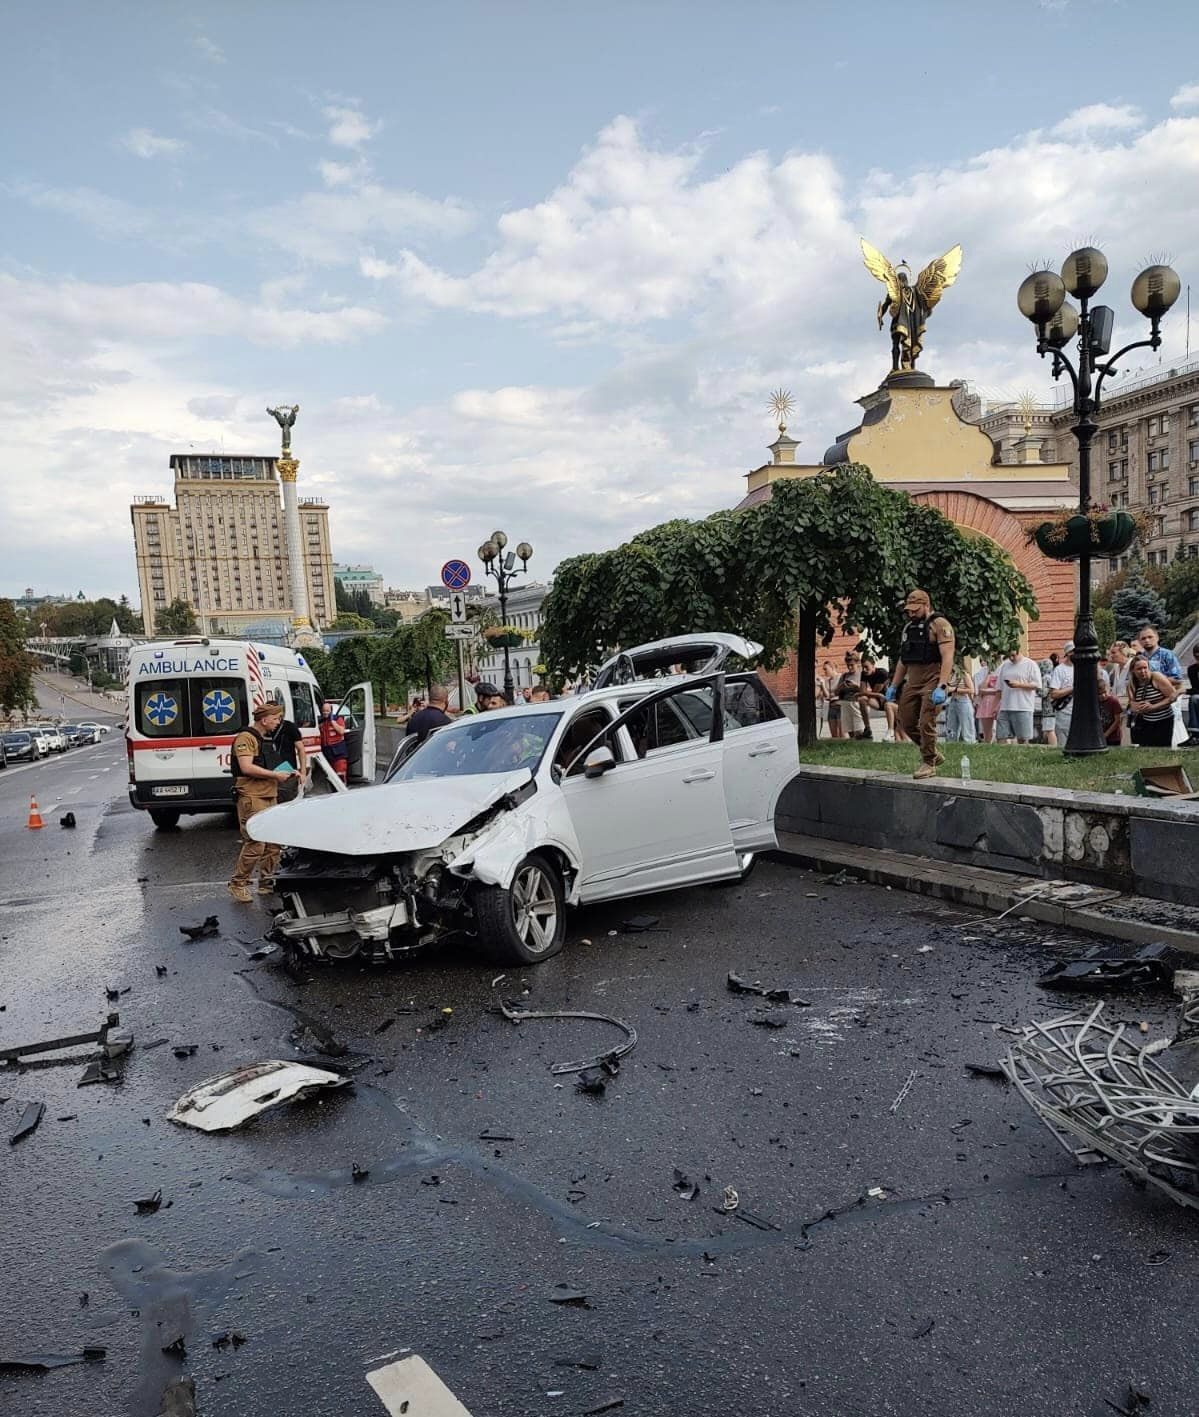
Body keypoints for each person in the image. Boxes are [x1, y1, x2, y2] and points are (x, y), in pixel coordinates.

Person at [228, 702, 295, 903]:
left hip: (268, 794)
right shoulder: (245, 738)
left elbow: (268, 763)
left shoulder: (264, 738)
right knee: (256, 843)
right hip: (252, 796)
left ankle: (266, 882)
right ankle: (238, 884)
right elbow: (247, 767)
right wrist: (275, 775)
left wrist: (290, 771)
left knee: (273, 843)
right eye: (275, 719)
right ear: (264, 720)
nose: (278, 723)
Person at [885, 589, 955, 779]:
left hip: (933, 679)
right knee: (905, 720)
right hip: (913, 680)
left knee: (926, 721)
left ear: (926, 605)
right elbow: (903, 659)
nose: (912, 613)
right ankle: (931, 752)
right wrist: (893, 686)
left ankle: (929, 763)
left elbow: (947, 656)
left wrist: (942, 686)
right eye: (909, 610)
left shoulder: (940, 625)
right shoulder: (908, 628)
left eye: (916, 609)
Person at [1127, 654, 1178, 747]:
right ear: (1133, 671)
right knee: (1146, 749)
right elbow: (1131, 704)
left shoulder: (1156, 677)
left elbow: (1172, 697)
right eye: (1139, 669)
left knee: (1162, 749)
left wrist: (1153, 707)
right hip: (1145, 721)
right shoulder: (1131, 684)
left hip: (1164, 719)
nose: (1143, 671)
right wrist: (1136, 707)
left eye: (1145, 668)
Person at [996, 647, 1042, 745]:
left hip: (1023, 707)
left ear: (1019, 651)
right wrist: (996, 706)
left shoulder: (1030, 664)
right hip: (1005, 707)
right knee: (1001, 736)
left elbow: (1037, 685)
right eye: (1009, 656)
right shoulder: (1005, 665)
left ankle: (1023, 758)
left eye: (1013, 655)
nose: (1011, 658)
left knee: (1023, 739)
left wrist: (1019, 685)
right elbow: (999, 688)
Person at [267, 701, 308, 804]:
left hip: (288, 772)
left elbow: (301, 749)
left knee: (288, 803)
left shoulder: (290, 727)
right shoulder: (265, 729)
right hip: (269, 773)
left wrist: (303, 773)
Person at [1049, 642, 1076, 745]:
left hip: (1080, 713)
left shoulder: (1082, 668)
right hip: (1065, 714)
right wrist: (1073, 689)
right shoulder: (1059, 670)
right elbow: (1054, 694)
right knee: (1064, 745)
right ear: (1069, 653)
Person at [943, 660, 976, 742]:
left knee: (967, 727)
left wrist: (954, 689)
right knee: (951, 727)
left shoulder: (964, 674)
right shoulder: (951, 675)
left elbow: (971, 690)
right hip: (952, 701)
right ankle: (951, 743)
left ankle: (970, 744)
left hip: (963, 701)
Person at [832, 654, 863, 738]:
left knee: (859, 729)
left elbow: (868, 690)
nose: (850, 667)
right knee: (849, 729)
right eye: (848, 665)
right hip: (845, 703)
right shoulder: (844, 676)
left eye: (852, 665)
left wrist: (856, 687)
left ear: (857, 663)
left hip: (857, 703)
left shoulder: (862, 675)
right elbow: (836, 692)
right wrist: (841, 686)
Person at [319, 700, 348, 783]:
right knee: (331, 778)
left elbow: (341, 731)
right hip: (327, 753)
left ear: (331, 711)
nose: (325, 713)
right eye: (323, 711)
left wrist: (333, 722)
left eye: (327, 711)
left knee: (340, 775)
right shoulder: (321, 722)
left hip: (338, 752)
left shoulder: (338, 719)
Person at [974, 663, 1000, 743]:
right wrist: (989, 675)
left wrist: (988, 691)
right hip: (986, 703)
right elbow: (981, 689)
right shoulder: (982, 672)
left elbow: (1001, 690)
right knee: (987, 731)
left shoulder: (1002, 670)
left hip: (999, 702)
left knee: (1001, 730)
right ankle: (988, 745)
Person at [1098, 670, 1124, 747]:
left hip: (1113, 737)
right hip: (1100, 736)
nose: (1103, 695)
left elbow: (1117, 721)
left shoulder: (1113, 701)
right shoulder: (1095, 703)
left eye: (1104, 692)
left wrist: (1106, 734)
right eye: (1099, 694)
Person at [1188, 648, 1199, 736]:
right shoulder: (1192, 669)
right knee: (1194, 698)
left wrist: (1184, 690)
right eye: (1196, 656)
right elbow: (1195, 688)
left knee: (1194, 698)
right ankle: (1195, 734)